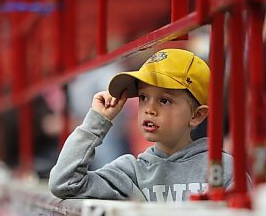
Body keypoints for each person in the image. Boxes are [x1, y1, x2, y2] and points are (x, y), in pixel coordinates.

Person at [49, 49, 235, 202]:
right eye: (143, 98)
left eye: (164, 100)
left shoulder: (222, 168)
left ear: (197, 115)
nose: (149, 109)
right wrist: (97, 121)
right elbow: (64, 182)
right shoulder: (132, 173)